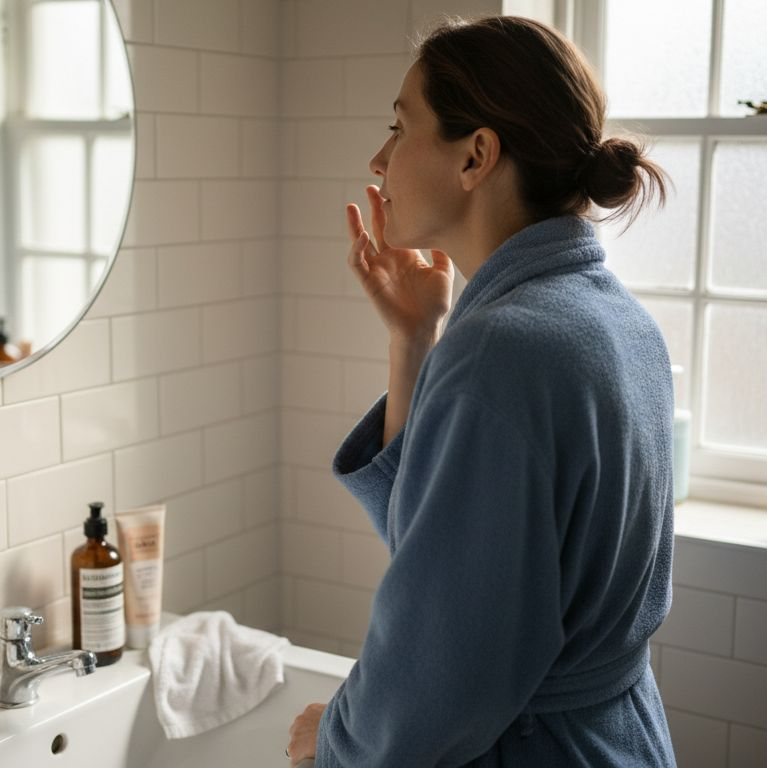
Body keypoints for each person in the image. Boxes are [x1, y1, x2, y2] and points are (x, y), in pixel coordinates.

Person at [286, 15, 676, 767]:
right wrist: (413, 342)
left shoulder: (504, 351)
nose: (379, 158)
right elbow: (446, 549)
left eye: (400, 128)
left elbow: (440, 668)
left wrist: (334, 741)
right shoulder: (613, 319)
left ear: (476, 156)